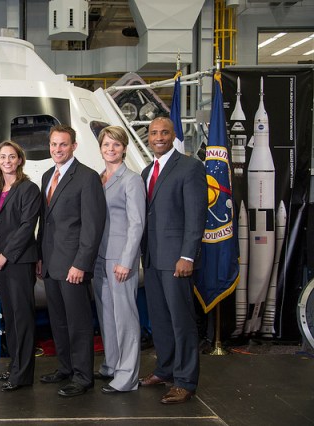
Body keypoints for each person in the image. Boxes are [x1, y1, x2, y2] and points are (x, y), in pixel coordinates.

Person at [139, 116, 207, 404]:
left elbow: (195, 216)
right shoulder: (146, 172)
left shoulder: (190, 167)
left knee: (181, 321)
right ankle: (164, 369)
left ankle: (185, 380)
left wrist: (187, 255)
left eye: (164, 132)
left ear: (173, 134)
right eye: (154, 132)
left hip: (177, 259)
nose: (158, 137)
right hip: (153, 259)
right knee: (160, 320)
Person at [36, 124, 106, 397]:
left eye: (63, 144)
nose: (57, 149)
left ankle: (83, 376)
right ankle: (65, 368)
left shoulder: (87, 177)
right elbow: (46, 222)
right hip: (52, 264)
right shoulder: (46, 176)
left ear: (74, 146)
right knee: (59, 321)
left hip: (73, 265)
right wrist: (41, 258)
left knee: (78, 323)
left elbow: (93, 226)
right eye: (54, 145)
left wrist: (81, 264)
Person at [92, 126, 146, 394]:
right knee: (107, 315)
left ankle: (127, 377)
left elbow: (137, 224)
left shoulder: (132, 180)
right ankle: (112, 365)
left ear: (124, 148)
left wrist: (127, 260)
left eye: (115, 145)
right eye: (106, 145)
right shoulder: (99, 178)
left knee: (125, 317)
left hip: (120, 258)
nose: (110, 149)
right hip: (99, 256)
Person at [0, 141, 41, 392]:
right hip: (2, 262)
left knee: (22, 318)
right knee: (10, 316)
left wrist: (5, 255)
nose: (7, 161)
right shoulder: (0, 189)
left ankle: (23, 374)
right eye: (2, 157)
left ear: (20, 159)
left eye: (12, 156)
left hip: (19, 262)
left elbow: (26, 227)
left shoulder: (29, 189)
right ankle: (16, 365)